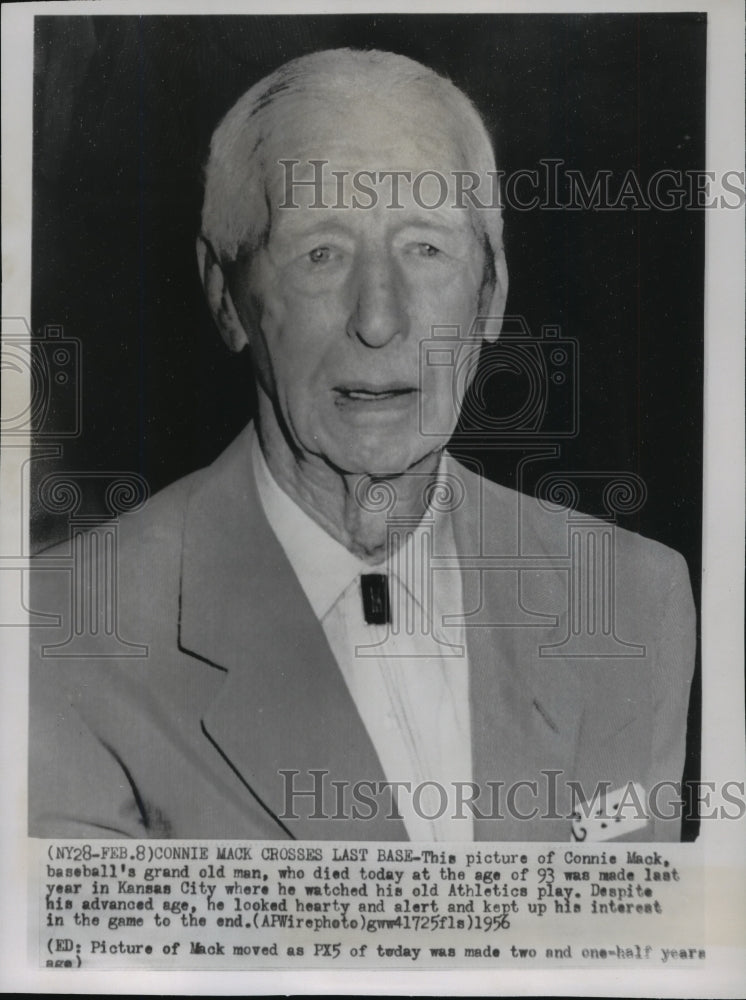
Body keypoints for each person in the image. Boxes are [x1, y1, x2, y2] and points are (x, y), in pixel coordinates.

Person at [28, 48, 695, 841]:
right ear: (227, 297)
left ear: (492, 296)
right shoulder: (63, 635)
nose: (378, 319)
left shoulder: (631, 599)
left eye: (426, 247)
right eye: (321, 252)